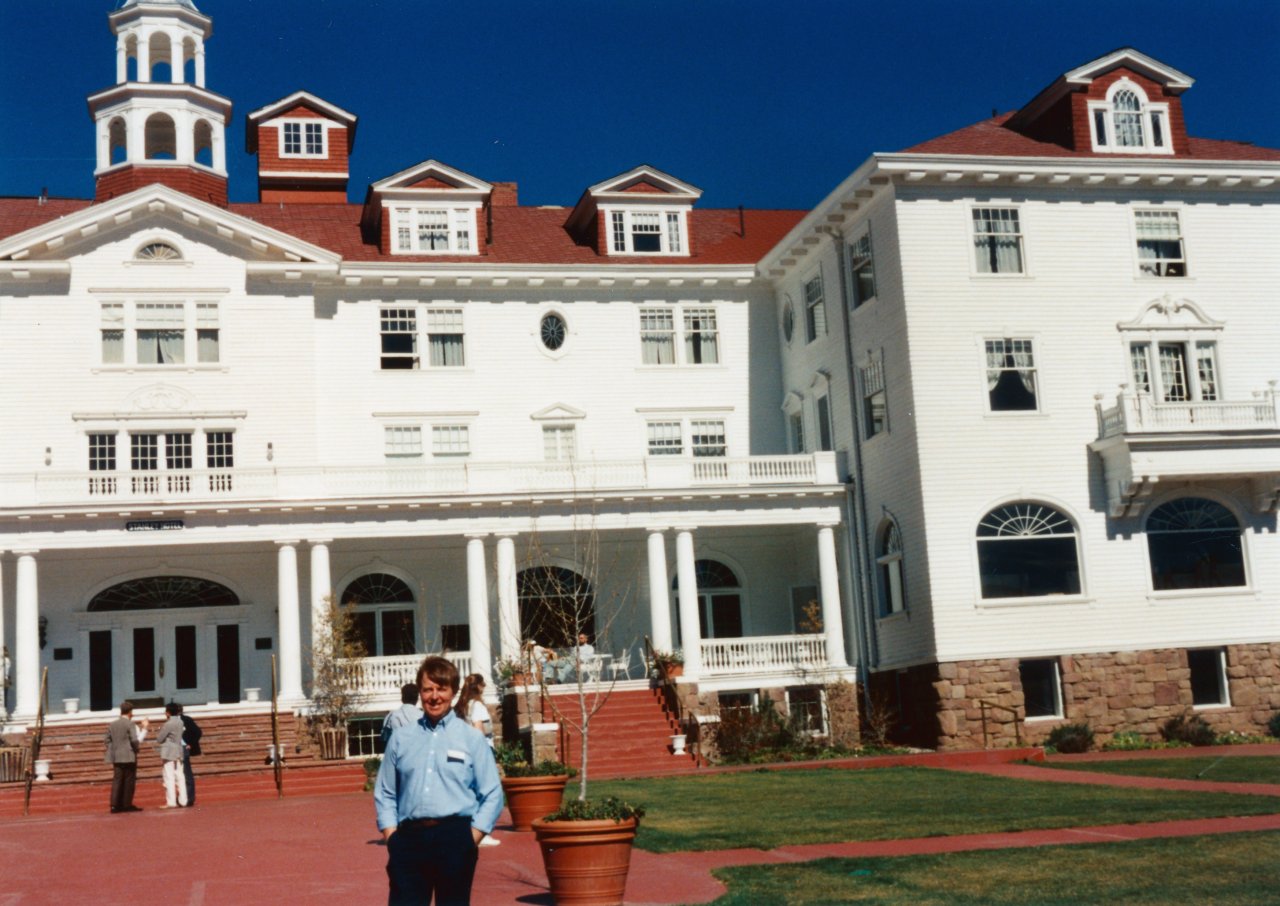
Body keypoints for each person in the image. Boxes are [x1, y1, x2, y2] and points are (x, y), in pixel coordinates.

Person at [375, 656, 503, 905]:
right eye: (428, 689)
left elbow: (492, 794)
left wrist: (471, 837)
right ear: (420, 693)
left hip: (455, 838)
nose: (434, 696)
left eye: (441, 689)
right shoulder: (401, 739)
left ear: (453, 692)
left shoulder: (471, 739)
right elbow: (385, 792)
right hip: (409, 840)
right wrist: (392, 837)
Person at [454, 674, 501, 847]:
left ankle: (471, 829)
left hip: (464, 751)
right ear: (479, 687)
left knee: (471, 791)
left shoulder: (461, 706)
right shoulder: (477, 706)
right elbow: (478, 729)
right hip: (481, 750)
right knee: (487, 791)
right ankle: (482, 832)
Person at [104, 701, 147, 813]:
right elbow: (134, 739)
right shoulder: (130, 724)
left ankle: (114, 805)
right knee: (129, 780)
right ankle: (126, 804)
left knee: (117, 780)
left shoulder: (113, 724)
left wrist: (114, 749)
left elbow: (107, 740)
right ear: (130, 712)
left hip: (117, 755)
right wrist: (136, 747)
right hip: (128, 754)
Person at [156, 702, 188, 808]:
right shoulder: (180, 722)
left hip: (169, 750)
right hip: (178, 749)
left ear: (168, 712)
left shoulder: (168, 724)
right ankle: (183, 800)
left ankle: (171, 801)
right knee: (180, 776)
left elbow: (160, 739)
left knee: (169, 776)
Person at [381, 682, 424, 746]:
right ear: (417, 699)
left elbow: (385, 739)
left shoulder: (391, 716)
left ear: (402, 698)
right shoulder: (424, 717)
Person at [179, 704, 203, 807]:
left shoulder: (186, 720)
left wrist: (190, 744)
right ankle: (182, 797)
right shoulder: (171, 722)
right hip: (175, 750)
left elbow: (198, 732)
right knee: (179, 775)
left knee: (186, 774)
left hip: (183, 749)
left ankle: (190, 797)